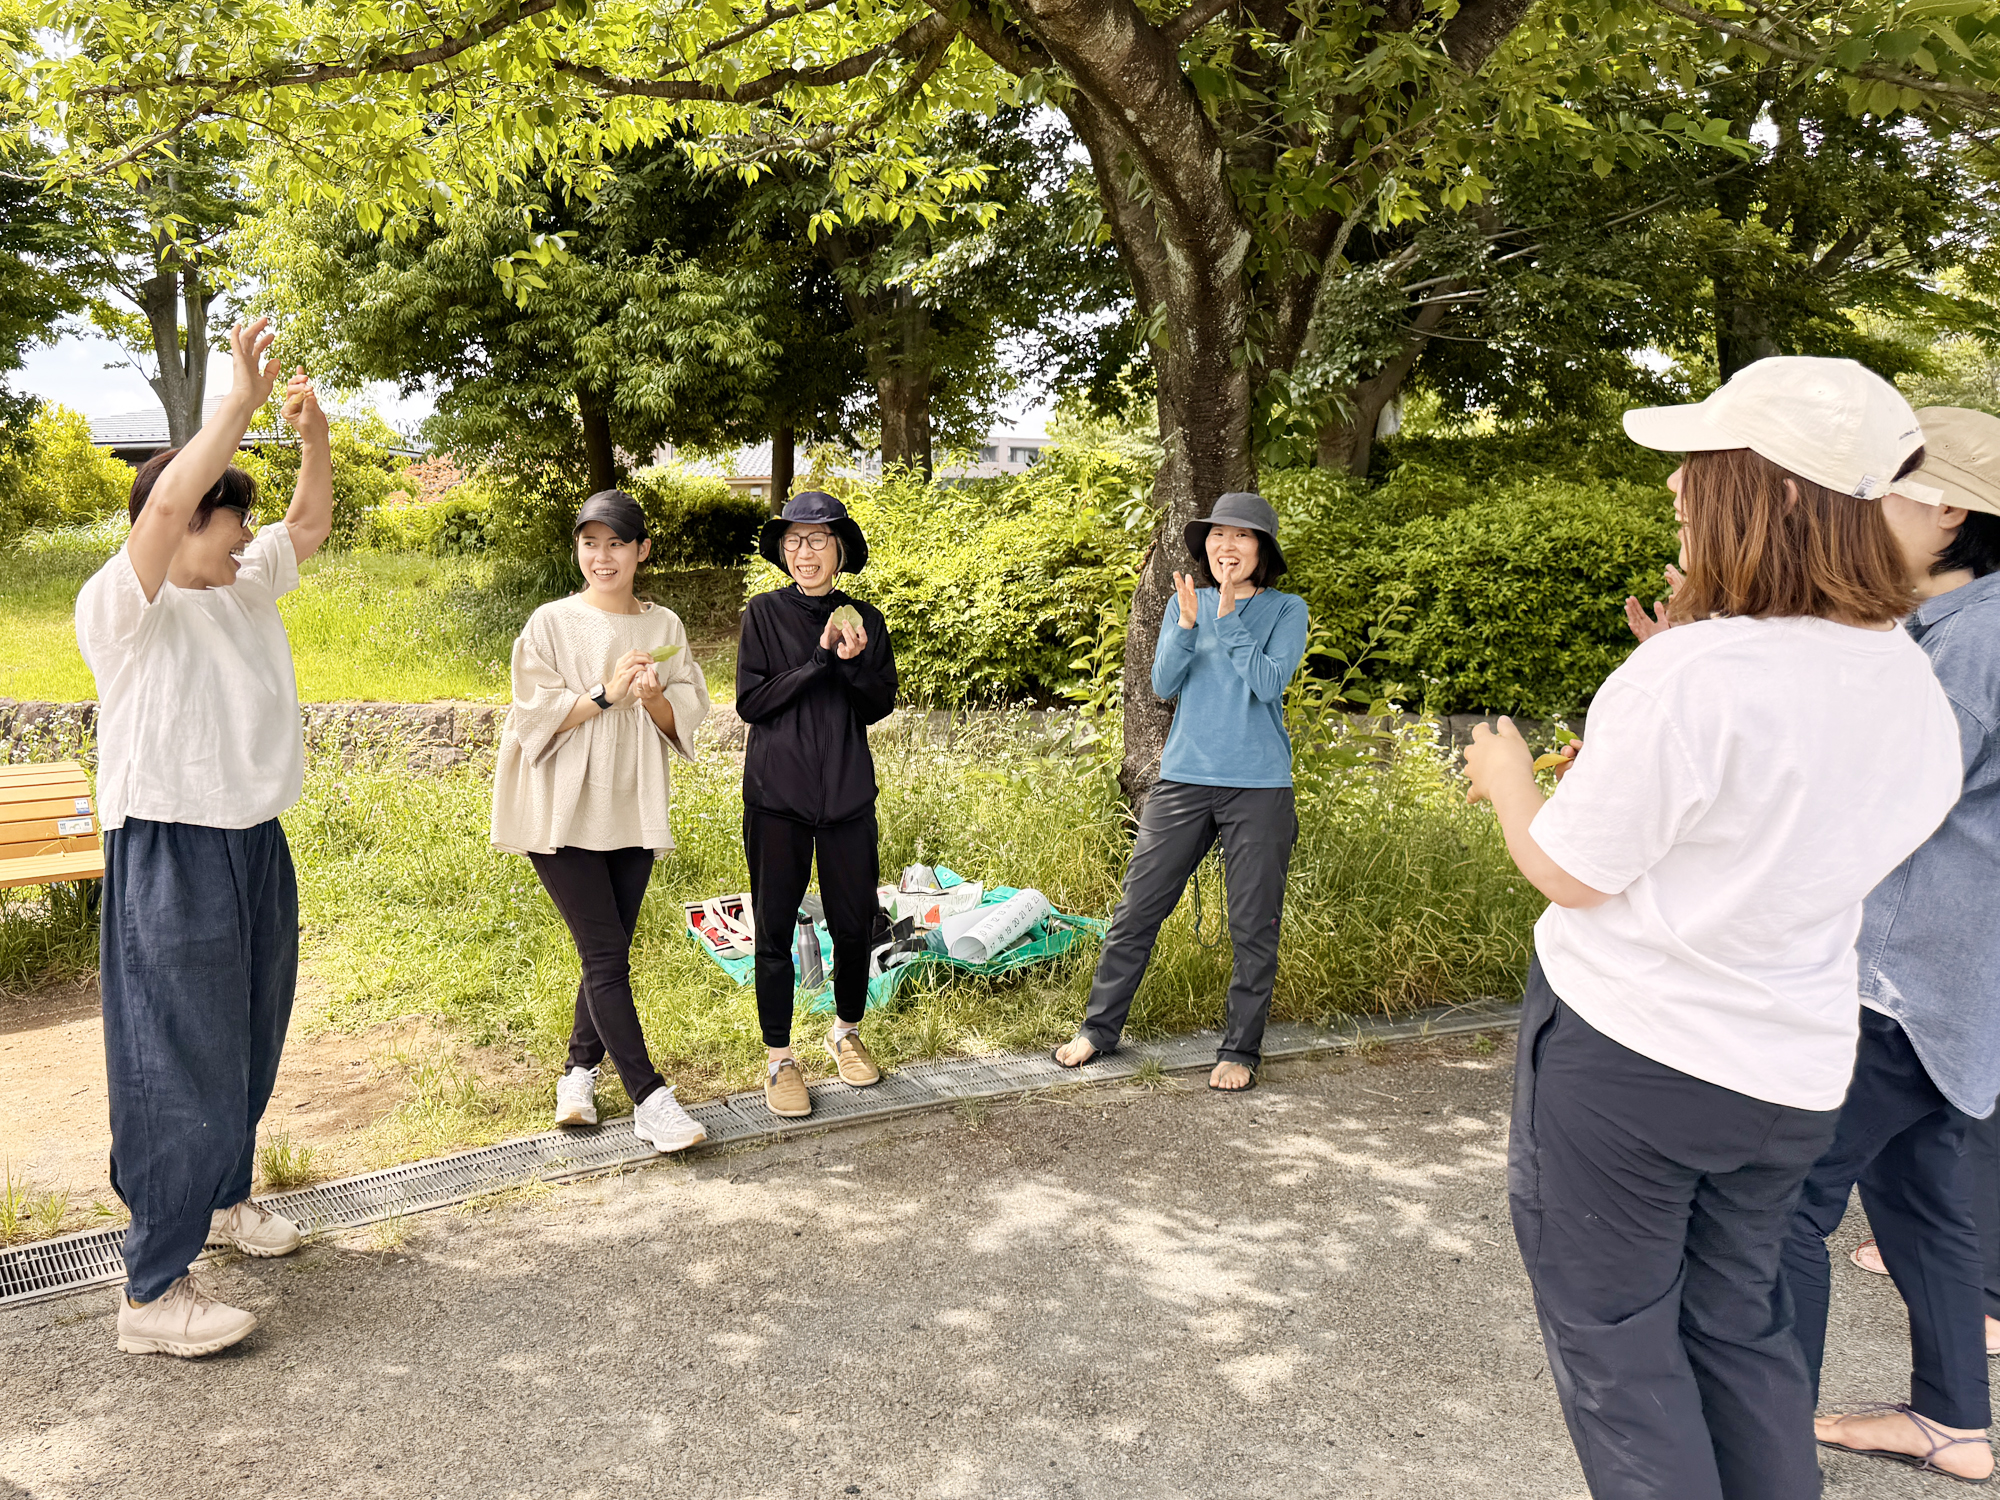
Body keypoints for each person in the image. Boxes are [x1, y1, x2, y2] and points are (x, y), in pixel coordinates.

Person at [1463, 356, 1963, 1500]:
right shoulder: (1901, 676)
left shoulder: (1690, 675)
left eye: (1699, 468)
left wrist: (1504, 781)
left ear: (1775, 493)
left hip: (1631, 1062)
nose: (1678, 491)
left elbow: (1571, 874)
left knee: (1620, 1356)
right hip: (1787, 1065)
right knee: (1737, 1332)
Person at [76, 320, 330, 1358]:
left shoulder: (245, 585)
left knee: (248, 1038)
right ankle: (150, 1291)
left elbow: (307, 526)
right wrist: (235, 400)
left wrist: (312, 437)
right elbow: (172, 494)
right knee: (172, 1063)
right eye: (226, 520)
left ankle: (225, 1198)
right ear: (172, 529)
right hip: (169, 855)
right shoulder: (122, 609)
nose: (239, 535)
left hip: (253, 842)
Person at [1777, 407, 2000, 1484]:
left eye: (1883, 489)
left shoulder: (1966, 647)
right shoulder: (1956, 627)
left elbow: (1880, 805)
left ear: (1949, 509)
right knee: (1923, 1202)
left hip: (1898, 979)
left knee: (1780, 1201)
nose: (1859, 508)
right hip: (1954, 985)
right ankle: (1952, 1424)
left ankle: (1762, 1441)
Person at [1053, 491, 1309, 1092]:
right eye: (1219, 535)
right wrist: (1189, 624)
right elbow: (1163, 682)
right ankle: (1098, 1029)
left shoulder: (1284, 609)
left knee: (1253, 925)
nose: (1228, 545)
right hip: (1185, 779)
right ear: (1206, 545)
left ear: (1261, 550)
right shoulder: (1180, 602)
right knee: (1138, 910)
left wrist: (1227, 619)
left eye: (1242, 537)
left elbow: (1270, 683)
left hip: (1258, 788)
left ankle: (1240, 1051)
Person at [491, 488, 712, 1155]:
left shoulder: (665, 627)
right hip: (558, 805)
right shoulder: (551, 623)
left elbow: (687, 715)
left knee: (607, 948)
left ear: (642, 549)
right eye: (591, 542)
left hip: (631, 804)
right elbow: (532, 715)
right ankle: (650, 1097)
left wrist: (649, 700)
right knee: (608, 953)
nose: (602, 556)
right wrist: (605, 694)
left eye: (617, 542)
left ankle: (577, 1075)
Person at [736, 491, 896, 1119]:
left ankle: (847, 1030)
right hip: (778, 798)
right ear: (783, 551)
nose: (805, 552)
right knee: (774, 929)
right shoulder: (763, 614)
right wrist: (820, 659)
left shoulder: (866, 620)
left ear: (839, 551)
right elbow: (754, 701)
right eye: (795, 541)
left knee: (854, 922)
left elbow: (877, 704)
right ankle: (778, 1057)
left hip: (848, 797)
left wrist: (852, 663)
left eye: (819, 540)